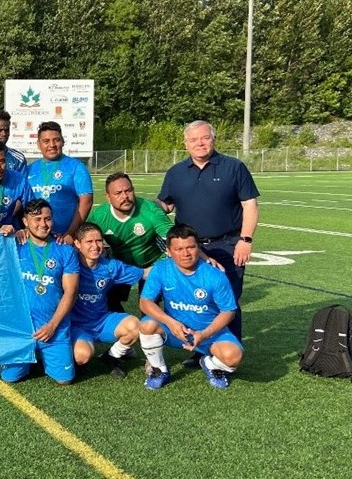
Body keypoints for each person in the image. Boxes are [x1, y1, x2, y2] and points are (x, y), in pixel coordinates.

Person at [158, 120, 259, 340]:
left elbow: (249, 205)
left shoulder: (234, 167)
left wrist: (246, 240)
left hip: (228, 245)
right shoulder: (176, 172)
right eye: (193, 140)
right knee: (194, 300)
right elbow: (165, 205)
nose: (200, 143)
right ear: (186, 144)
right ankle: (199, 348)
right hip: (189, 248)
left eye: (205, 138)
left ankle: (227, 352)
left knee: (227, 300)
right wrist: (139, 207)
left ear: (213, 139)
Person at [138, 224, 244, 390]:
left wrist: (204, 334)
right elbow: (145, 302)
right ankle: (159, 370)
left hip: (208, 333)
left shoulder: (214, 275)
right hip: (174, 330)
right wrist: (171, 323)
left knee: (233, 357)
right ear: (168, 251)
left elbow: (229, 311)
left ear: (198, 247)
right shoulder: (161, 269)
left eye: (191, 247)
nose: (186, 253)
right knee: (146, 325)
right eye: (179, 249)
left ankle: (210, 363)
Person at [0, 199, 80, 385]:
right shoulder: (14, 246)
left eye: (48, 219)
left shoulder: (65, 251)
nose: (43, 224)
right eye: (37, 219)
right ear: (25, 222)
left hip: (53, 327)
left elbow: (71, 292)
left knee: (64, 379)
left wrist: (52, 326)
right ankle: (32, 355)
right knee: (9, 378)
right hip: (21, 328)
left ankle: (46, 352)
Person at [87, 172, 174, 312]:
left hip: (153, 263)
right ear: (108, 197)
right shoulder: (99, 216)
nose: (125, 197)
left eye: (128, 191)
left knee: (148, 306)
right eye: (118, 193)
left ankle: (151, 329)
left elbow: (174, 238)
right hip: (122, 264)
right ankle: (124, 327)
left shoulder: (149, 209)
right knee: (108, 302)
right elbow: (84, 240)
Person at [70, 223, 146, 379]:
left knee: (135, 326)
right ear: (77, 244)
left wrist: (174, 266)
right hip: (76, 325)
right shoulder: (69, 265)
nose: (95, 246)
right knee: (82, 356)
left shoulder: (110, 266)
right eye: (89, 242)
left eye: (98, 241)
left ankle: (111, 356)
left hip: (102, 321)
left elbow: (144, 273)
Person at [27, 121, 93, 242]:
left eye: (56, 140)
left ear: (62, 142)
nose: (52, 145)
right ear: (38, 144)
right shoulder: (29, 169)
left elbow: (86, 201)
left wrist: (70, 234)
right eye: (46, 141)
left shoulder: (76, 167)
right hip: (36, 238)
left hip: (65, 237)